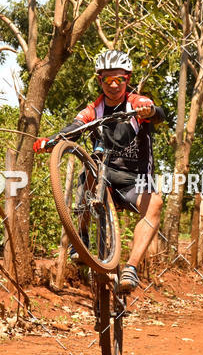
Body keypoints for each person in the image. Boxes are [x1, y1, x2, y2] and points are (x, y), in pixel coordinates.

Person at [33, 50, 166, 293]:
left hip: (135, 182)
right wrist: (49, 141)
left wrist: (150, 110)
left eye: (120, 80)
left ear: (128, 79)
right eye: (108, 80)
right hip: (102, 176)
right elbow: (72, 128)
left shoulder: (136, 103)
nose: (114, 85)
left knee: (155, 203)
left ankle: (131, 269)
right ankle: (81, 238)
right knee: (90, 173)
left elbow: (157, 113)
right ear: (99, 81)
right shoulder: (93, 110)